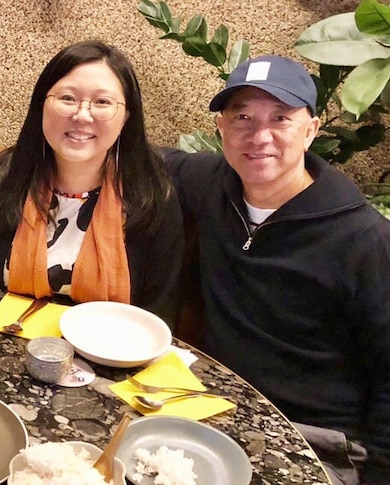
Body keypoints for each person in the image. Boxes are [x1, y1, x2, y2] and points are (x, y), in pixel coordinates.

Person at [165, 55, 390, 485]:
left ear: (311, 130)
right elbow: (148, 158)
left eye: (280, 118)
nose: (259, 136)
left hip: (316, 443)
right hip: (216, 413)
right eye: (243, 117)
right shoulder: (213, 184)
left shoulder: (366, 240)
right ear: (221, 129)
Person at [0, 40, 184, 323]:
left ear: (127, 116)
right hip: (9, 346)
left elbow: (158, 316)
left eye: (102, 102)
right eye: (67, 98)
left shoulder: (152, 198)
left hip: (112, 357)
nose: (82, 115)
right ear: (42, 104)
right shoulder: (3, 181)